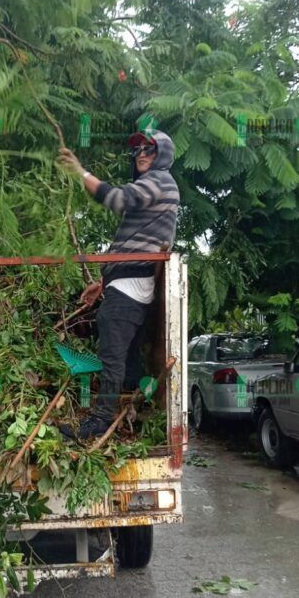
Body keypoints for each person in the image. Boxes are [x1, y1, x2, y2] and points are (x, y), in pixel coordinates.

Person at [57, 129, 180, 439]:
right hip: (126, 283)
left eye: (149, 150)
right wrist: (103, 281)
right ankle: (133, 418)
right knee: (126, 360)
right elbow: (130, 247)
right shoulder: (153, 187)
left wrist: (79, 172)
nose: (141, 154)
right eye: (138, 149)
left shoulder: (160, 180)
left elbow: (116, 198)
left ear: (162, 155)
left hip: (130, 289)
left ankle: (98, 423)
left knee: (112, 354)